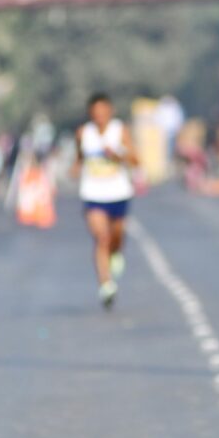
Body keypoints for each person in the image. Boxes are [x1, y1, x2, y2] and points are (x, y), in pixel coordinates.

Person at [76, 93, 139, 308]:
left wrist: (117, 155)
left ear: (110, 112)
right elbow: (79, 159)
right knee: (101, 237)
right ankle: (106, 284)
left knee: (116, 236)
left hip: (118, 193)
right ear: (91, 114)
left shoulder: (119, 131)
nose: (100, 117)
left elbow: (135, 160)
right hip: (93, 194)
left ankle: (116, 253)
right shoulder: (83, 133)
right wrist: (75, 168)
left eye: (104, 112)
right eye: (96, 113)